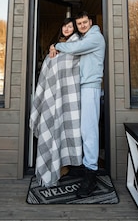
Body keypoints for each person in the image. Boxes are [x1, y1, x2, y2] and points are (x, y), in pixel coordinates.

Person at [49, 11, 105, 198]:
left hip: (90, 88)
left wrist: (56, 45)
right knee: (81, 129)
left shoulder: (95, 37)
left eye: (84, 22)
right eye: (79, 23)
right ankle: (83, 166)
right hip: (81, 88)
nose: (81, 25)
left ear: (90, 22)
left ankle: (91, 176)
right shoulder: (86, 37)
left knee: (90, 132)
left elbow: (73, 49)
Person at [29, 17, 83, 187]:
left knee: (65, 129)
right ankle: (55, 166)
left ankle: (65, 165)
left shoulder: (76, 45)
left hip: (69, 97)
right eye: (65, 25)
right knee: (52, 129)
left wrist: (57, 48)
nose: (67, 28)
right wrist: (54, 47)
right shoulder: (56, 46)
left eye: (71, 26)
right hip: (52, 98)